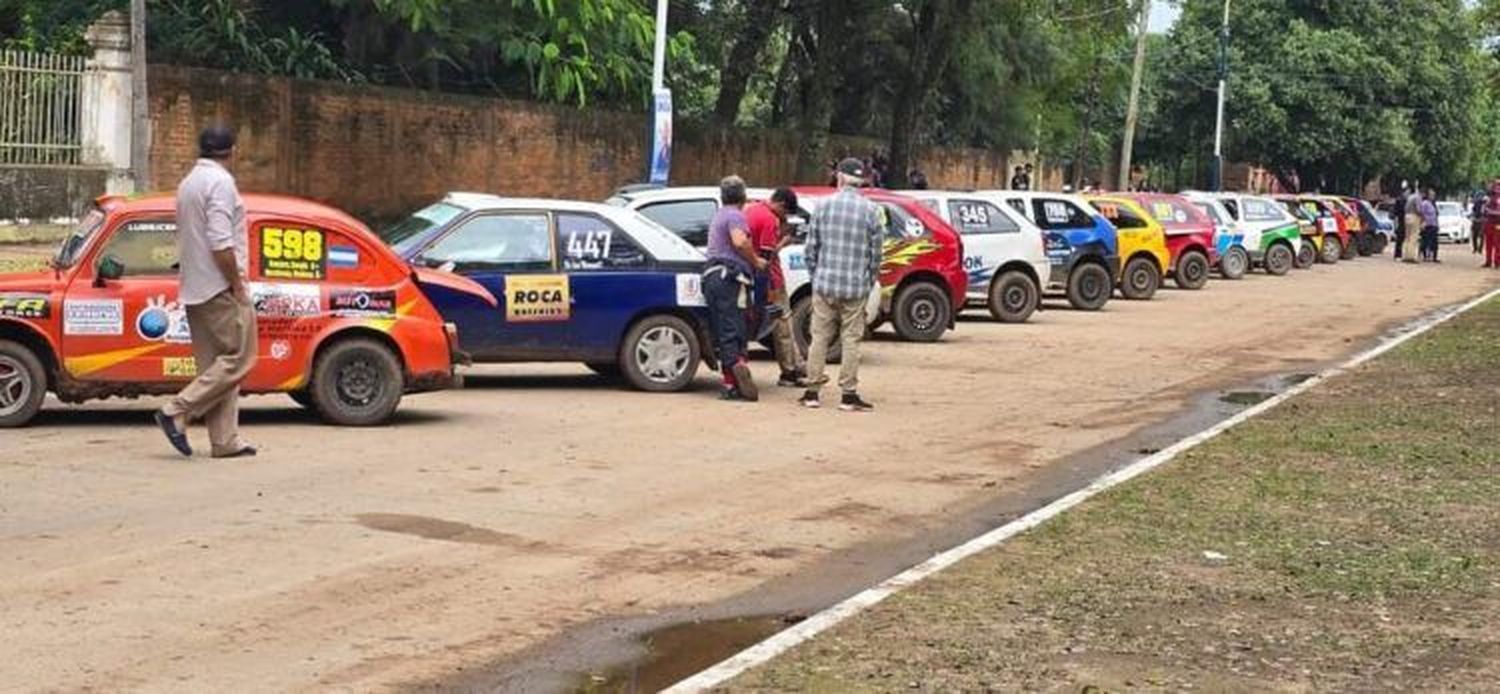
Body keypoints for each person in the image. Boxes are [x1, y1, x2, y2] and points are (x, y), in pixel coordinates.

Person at [153, 125, 258, 459]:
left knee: (216, 366)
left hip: (194, 286)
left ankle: (225, 440)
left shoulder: (189, 183)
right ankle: (176, 411)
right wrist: (237, 286)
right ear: (233, 151)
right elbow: (221, 242)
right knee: (239, 358)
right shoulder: (221, 183)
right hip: (220, 286)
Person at [799, 157, 882, 412]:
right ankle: (848, 395)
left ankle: (812, 392)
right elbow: (876, 255)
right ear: (860, 181)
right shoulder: (871, 211)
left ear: (840, 178)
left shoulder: (823, 207)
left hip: (825, 284)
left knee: (819, 338)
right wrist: (867, 283)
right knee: (851, 340)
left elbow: (810, 248)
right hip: (855, 287)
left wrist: (816, 277)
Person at [702, 175, 767, 402]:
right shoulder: (735, 215)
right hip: (730, 278)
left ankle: (730, 380)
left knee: (723, 329)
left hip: (712, 278)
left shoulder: (719, 215)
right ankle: (737, 369)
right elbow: (739, 241)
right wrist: (756, 261)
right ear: (743, 196)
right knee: (735, 328)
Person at [745, 188, 804, 386]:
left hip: (753, 277)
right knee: (783, 326)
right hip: (771, 280)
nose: (784, 217)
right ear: (780, 205)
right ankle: (790, 372)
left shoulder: (751, 209)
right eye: (785, 212)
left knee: (781, 324)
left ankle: (797, 367)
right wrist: (784, 242)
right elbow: (766, 257)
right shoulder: (770, 220)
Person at [1402, 185, 1423, 263]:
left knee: (1407, 237)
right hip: (1414, 216)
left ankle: (1405, 255)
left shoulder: (1410, 197)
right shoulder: (1418, 198)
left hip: (1407, 216)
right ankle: (1411, 257)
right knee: (1413, 237)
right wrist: (1422, 216)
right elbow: (1418, 209)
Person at [1418, 188, 1440, 263]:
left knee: (1434, 242)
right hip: (1428, 225)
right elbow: (1422, 214)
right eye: (1431, 195)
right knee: (1426, 241)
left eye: (1434, 195)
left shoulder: (1433, 204)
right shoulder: (1425, 203)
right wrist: (1422, 223)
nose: (1433, 196)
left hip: (1434, 225)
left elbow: (1436, 214)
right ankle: (1424, 256)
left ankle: (1434, 257)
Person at [1484, 181, 1500, 268]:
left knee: (1497, 244)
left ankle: (1497, 262)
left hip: (1497, 223)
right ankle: (1488, 261)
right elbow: (1484, 210)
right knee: (1488, 244)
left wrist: (1490, 211)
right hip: (1489, 223)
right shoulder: (1489, 199)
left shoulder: (1498, 199)